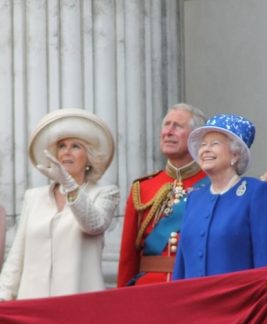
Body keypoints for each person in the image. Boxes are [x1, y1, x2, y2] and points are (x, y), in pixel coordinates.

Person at [0, 108, 119, 300]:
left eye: (75, 146)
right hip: (32, 306)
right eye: (62, 146)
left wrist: (69, 184)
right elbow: (17, 255)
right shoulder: (33, 197)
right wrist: (3, 296)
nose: (66, 152)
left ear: (89, 156)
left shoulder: (105, 193)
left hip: (78, 306)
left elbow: (94, 224)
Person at [172, 114, 267, 279]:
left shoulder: (256, 193)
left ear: (235, 155)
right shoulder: (195, 198)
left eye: (214, 144)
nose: (205, 149)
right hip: (194, 301)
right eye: (203, 145)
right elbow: (181, 265)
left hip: (239, 302)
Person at [117, 103, 208, 287]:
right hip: (147, 290)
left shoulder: (213, 185)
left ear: (196, 137)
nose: (168, 132)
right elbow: (128, 256)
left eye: (178, 126)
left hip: (194, 286)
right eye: (166, 125)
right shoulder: (142, 188)